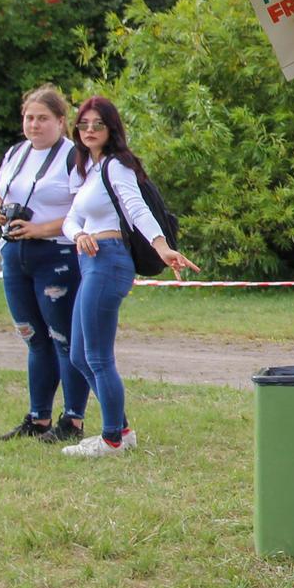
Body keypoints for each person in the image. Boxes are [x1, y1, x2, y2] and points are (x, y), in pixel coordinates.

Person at [59, 96, 197, 457]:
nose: (89, 130)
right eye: (84, 124)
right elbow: (70, 219)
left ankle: (112, 440)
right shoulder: (87, 168)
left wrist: (162, 246)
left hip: (110, 261)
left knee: (98, 356)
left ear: (111, 129)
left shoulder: (117, 166)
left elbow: (136, 208)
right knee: (78, 355)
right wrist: (79, 234)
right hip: (89, 259)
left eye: (98, 124)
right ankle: (120, 428)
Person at [0, 84, 92, 442]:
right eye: (29, 118)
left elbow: (82, 212)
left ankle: (73, 419)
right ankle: (38, 417)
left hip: (56, 254)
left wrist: (38, 228)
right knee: (33, 338)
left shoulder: (73, 156)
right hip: (15, 255)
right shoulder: (16, 153)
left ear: (61, 122)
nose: (34, 125)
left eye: (43, 118)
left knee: (64, 338)